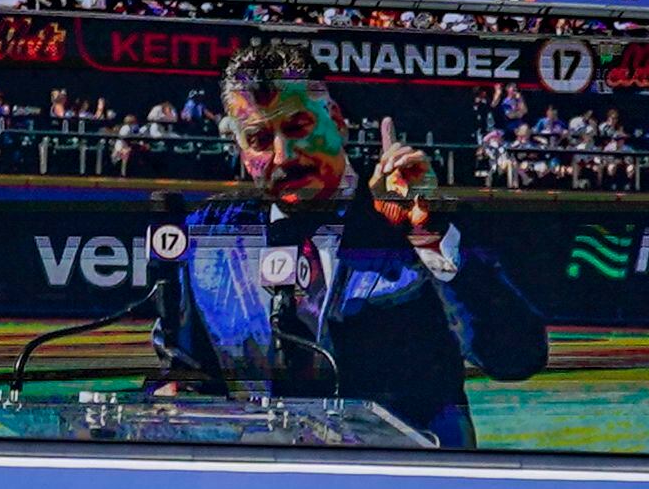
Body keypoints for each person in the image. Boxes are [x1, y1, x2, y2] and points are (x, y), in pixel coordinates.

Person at [147, 39, 549, 448]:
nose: (284, 156)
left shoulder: (421, 221)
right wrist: (168, 401)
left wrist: (426, 231)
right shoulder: (208, 238)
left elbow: (515, 357)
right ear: (239, 148)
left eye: (297, 127)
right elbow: (183, 377)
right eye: (260, 139)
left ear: (336, 121)